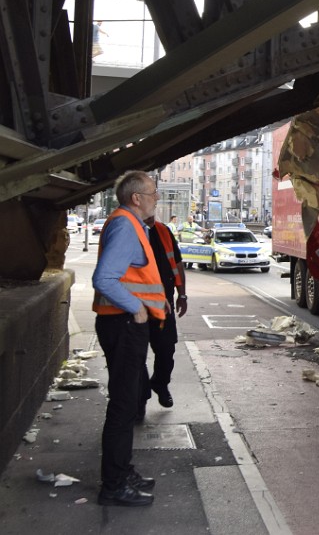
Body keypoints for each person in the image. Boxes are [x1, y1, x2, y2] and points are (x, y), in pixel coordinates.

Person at [91, 171, 166, 507]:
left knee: (130, 396)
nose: (157, 198)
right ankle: (114, 485)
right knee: (123, 405)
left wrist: (153, 302)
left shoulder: (131, 224)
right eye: (153, 193)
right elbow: (104, 278)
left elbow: (134, 275)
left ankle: (122, 471)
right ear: (137, 198)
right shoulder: (125, 225)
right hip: (123, 325)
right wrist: (136, 307)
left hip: (124, 325)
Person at [138, 214, 187, 420]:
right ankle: (139, 399)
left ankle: (160, 382)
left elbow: (177, 263)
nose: (154, 207)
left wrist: (182, 294)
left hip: (164, 304)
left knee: (166, 350)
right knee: (137, 356)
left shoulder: (164, 231)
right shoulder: (129, 230)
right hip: (135, 306)